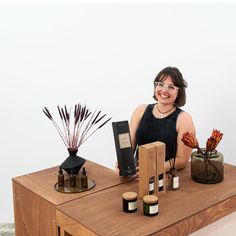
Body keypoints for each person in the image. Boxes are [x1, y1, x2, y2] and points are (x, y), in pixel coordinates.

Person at [129, 66, 195, 172]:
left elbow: (182, 160)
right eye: (161, 84)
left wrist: (153, 169)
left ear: (179, 92)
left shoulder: (184, 119)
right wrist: (123, 162)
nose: (164, 90)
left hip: (166, 178)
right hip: (137, 175)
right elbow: (130, 147)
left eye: (171, 87)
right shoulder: (140, 110)